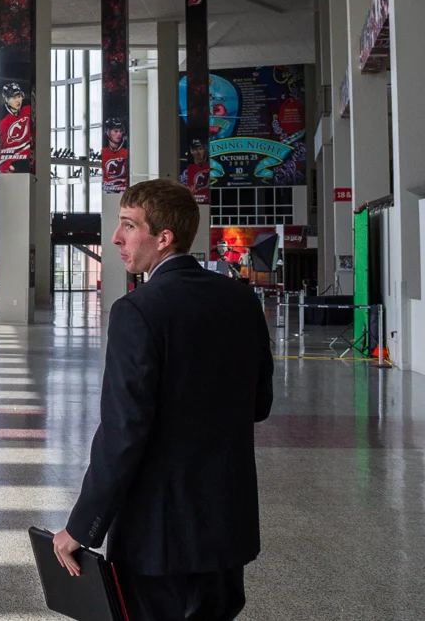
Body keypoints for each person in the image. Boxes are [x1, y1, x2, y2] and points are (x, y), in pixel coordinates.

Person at [53, 179, 273, 621]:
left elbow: (123, 432)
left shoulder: (138, 311)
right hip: (225, 528)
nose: (116, 238)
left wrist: (82, 525)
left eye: (129, 226)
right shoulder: (240, 299)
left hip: (159, 537)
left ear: (164, 238)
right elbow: (259, 405)